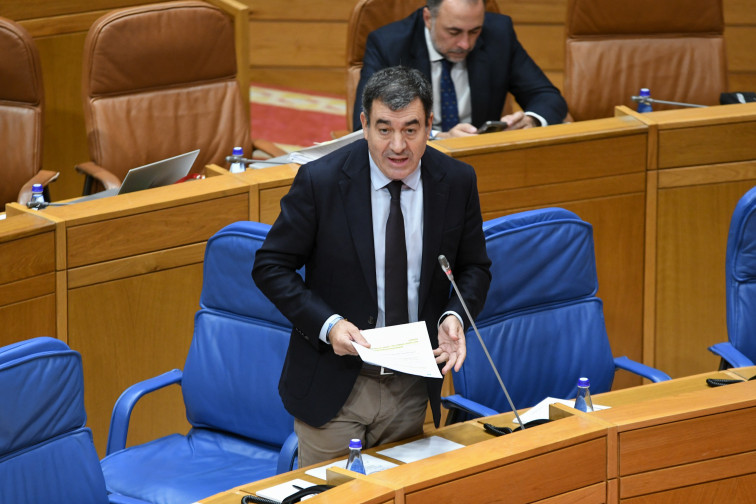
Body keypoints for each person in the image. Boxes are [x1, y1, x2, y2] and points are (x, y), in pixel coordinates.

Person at [252, 66, 491, 467]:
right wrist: (328, 324)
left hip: (412, 388)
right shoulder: (321, 182)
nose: (397, 146)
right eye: (384, 130)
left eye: (411, 130)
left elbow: (474, 268)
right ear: (364, 125)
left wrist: (454, 315)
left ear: (430, 125)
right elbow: (271, 265)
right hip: (336, 386)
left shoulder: (456, 181)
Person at [352, 0, 568, 138]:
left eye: (474, 31)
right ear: (428, 18)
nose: (465, 44)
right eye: (453, 32)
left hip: (479, 160)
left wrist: (530, 120)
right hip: (415, 162)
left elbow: (547, 96)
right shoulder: (389, 44)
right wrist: (436, 136)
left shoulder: (498, 34)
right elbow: (366, 120)